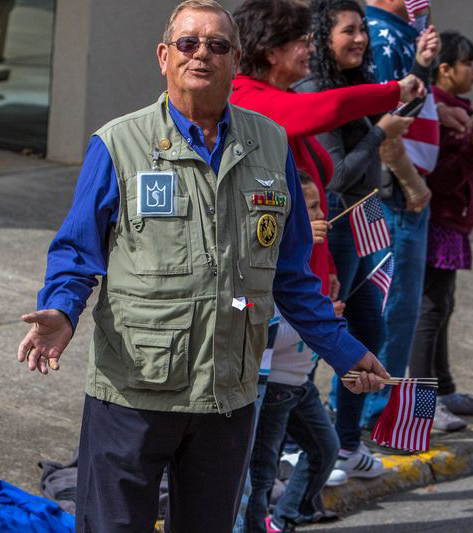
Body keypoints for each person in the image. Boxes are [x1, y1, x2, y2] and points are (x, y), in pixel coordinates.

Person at [17, 2, 390, 532]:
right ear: (163, 57)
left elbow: (290, 274)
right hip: (134, 390)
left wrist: (343, 349)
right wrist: (61, 311)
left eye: (218, 45)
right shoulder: (118, 144)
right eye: (188, 43)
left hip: (227, 393)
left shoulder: (271, 143)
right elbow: (76, 253)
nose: (202, 54)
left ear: (236, 60)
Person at [293, 0, 430, 478]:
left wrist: (422, 66)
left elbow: (400, 109)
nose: (360, 39)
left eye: (362, 31)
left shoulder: (355, 82)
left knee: (370, 332)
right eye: (348, 31)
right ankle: (299, 447)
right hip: (335, 221)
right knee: (318, 338)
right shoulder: (316, 90)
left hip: (363, 218)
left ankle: (347, 446)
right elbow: (335, 176)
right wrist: (379, 135)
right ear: (323, 37)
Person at [230, 0, 424, 300]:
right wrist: (394, 91)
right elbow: (331, 108)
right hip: (276, 286)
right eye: (303, 42)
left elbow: (315, 199)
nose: (312, 49)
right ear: (271, 51)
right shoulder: (247, 99)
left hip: (309, 271)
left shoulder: (283, 97)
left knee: (369, 322)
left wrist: (329, 265)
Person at [359, 0, 442, 430]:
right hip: (398, 194)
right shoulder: (381, 35)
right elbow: (385, 125)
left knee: (398, 306)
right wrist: (411, 184)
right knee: (392, 307)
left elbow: (411, 104)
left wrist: (424, 65)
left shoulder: (399, 32)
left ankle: (377, 415)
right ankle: (377, 417)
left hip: (405, 193)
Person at [246, 173, 342, 533]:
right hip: (273, 385)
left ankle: (284, 519)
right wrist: (320, 322)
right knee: (260, 471)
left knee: (325, 449)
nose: (321, 216)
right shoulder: (272, 255)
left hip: (301, 381)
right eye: (311, 208)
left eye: (320, 206)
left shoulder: (314, 254)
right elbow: (267, 328)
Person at [409, 31, 473, 431]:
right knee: (429, 311)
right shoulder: (437, 112)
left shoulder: (456, 109)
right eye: (468, 64)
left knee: (443, 306)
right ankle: (423, 403)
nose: (472, 72)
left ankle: (444, 388)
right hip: (434, 221)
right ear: (444, 69)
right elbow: (441, 179)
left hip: (451, 222)